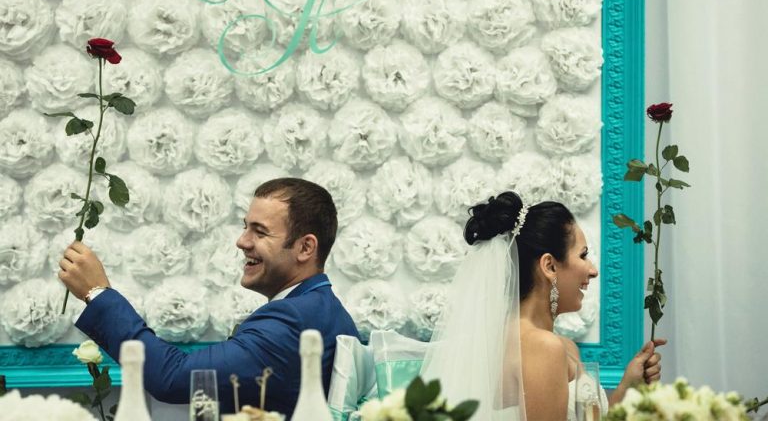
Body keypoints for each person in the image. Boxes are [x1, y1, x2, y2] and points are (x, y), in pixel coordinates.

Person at [58, 178, 359, 418]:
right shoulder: (324, 308)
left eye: (260, 232)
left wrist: (97, 293)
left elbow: (172, 377)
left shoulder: (291, 322)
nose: (242, 241)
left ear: (305, 248)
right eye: (245, 227)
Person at [420, 191, 665, 421]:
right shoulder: (544, 347)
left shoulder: (556, 345)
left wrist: (627, 387)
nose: (593, 270)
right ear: (549, 266)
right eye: (582, 255)